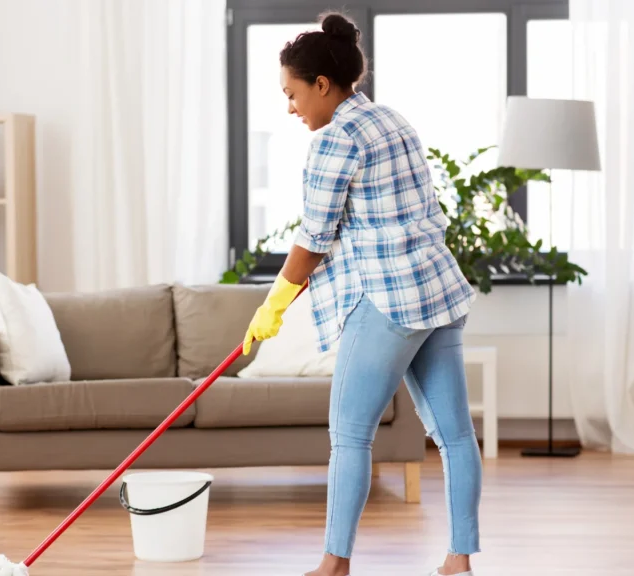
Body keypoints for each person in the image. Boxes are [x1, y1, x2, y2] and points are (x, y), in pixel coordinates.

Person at [240, 11, 483, 576]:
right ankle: (459, 560)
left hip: (386, 301)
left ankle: (333, 565)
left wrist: (272, 305)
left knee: (349, 437)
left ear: (322, 85)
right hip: (436, 292)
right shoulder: (394, 121)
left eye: (293, 94)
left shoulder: (335, 142)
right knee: (453, 436)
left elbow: (314, 238)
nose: (291, 107)